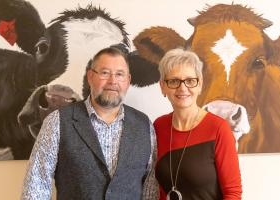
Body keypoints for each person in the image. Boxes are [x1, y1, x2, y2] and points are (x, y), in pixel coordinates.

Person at [21, 47, 158, 200]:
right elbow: (36, 187)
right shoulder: (57, 122)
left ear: (128, 81)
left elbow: (150, 189)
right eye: (105, 73)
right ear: (90, 77)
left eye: (120, 74)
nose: (113, 81)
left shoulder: (144, 126)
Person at [154, 48, 242, 200]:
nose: (182, 88)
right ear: (163, 86)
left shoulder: (218, 129)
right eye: (174, 81)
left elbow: (233, 193)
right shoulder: (158, 126)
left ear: (200, 85)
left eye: (190, 81)